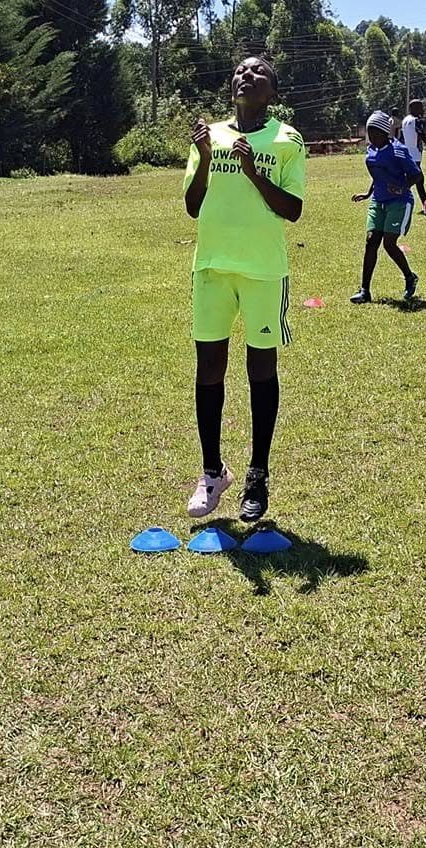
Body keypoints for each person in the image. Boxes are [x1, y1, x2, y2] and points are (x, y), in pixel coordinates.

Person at [181, 56, 304, 522]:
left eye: (258, 73)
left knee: (261, 368)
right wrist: (205, 158)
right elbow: (193, 206)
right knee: (209, 367)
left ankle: (257, 474)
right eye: (239, 71)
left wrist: (254, 171)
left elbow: (292, 209)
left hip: (262, 271)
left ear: (273, 92)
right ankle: (212, 472)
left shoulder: (287, 139)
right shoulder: (208, 135)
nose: (245, 76)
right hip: (212, 268)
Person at [350, 110, 424, 303]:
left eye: (375, 132)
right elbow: (378, 176)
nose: (372, 136)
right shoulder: (371, 151)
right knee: (371, 241)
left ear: (385, 132)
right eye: (369, 132)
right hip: (378, 200)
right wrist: (368, 194)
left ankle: (410, 277)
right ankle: (365, 291)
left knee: (389, 243)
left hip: (399, 202)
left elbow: (417, 175)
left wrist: (401, 188)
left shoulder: (398, 150)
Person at [401, 99, 426, 170]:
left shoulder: (405, 119)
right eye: (421, 108)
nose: (422, 110)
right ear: (415, 108)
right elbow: (422, 136)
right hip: (415, 152)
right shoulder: (416, 120)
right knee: (417, 173)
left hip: (407, 151)